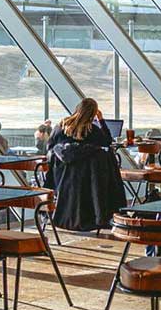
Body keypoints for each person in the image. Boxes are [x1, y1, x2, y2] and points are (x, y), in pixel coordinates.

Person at [46, 97, 126, 231]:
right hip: (87, 182)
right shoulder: (92, 131)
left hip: (60, 177)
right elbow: (107, 141)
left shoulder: (60, 127)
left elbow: (50, 147)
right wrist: (101, 120)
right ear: (93, 113)